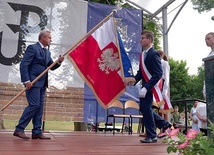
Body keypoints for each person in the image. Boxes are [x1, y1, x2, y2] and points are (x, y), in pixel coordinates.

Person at [13, 30, 64, 140]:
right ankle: (19, 129)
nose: (51, 40)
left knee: (39, 108)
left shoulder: (47, 52)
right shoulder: (32, 48)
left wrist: (58, 62)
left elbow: (51, 66)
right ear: (43, 38)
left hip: (42, 84)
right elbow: (24, 64)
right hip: (33, 83)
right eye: (49, 38)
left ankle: (37, 131)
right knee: (34, 105)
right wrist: (26, 80)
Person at [125, 30, 171, 143]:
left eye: (143, 38)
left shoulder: (154, 53)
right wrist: (133, 80)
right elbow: (141, 73)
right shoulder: (143, 55)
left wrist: (146, 87)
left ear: (149, 39)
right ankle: (164, 125)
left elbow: (158, 74)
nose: (140, 40)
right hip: (145, 87)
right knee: (144, 108)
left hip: (151, 87)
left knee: (145, 108)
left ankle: (152, 135)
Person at [157, 50, 173, 121]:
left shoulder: (165, 63)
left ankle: (166, 127)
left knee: (165, 108)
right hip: (157, 84)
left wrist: (165, 90)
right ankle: (161, 128)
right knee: (159, 108)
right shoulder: (156, 63)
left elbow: (166, 77)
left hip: (162, 84)